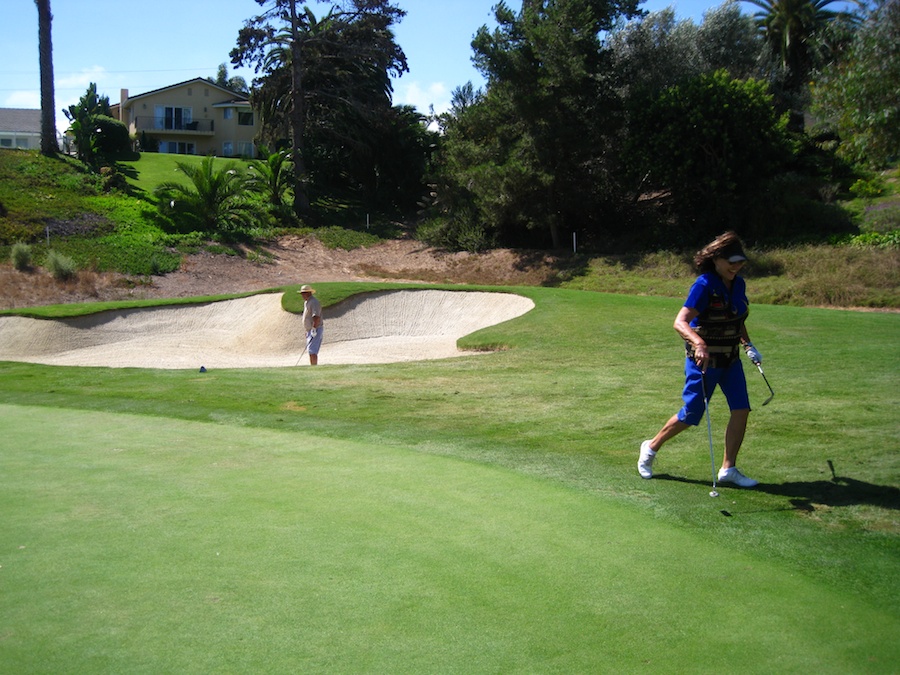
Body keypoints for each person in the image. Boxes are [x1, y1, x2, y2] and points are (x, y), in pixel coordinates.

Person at [638, 231, 763, 487]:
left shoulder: (738, 284)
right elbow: (680, 321)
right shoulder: (704, 285)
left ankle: (728, 469)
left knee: (741, 409)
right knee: (692, 413)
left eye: (740, 262)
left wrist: (748, 345)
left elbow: (735, 318)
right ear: (716, 259)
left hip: (731, 359)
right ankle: (650, 448)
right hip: (704, 361)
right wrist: (698, 343)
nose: (736, 266)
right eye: (732, 261)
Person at [299, 284, 323, 365]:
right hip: (310, 330)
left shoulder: (314, 302)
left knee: (313, 350)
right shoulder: (307, 302)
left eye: (304, 293)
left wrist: (314, 328)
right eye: (302, 293)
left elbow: (316, 317)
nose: (302, 295)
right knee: (310, 350)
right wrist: (308, 330)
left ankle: (314, 367)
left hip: (315, 329)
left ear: (309, 293)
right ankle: (312, 366)